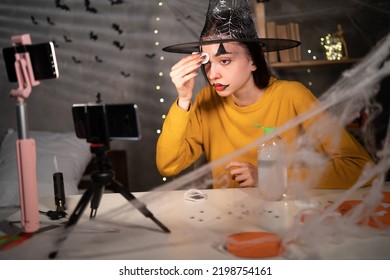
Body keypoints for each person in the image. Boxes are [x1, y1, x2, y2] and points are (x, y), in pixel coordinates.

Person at [156, 0, 374, 189]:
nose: (213, 74)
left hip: (285, 217)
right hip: (226, 219)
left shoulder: (291, 96)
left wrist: (271, 178)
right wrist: (184, 99)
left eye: (225, 61)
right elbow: (168, 165)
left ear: (253, 60)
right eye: (206, 62)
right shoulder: (206, 100)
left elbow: (361, 168)